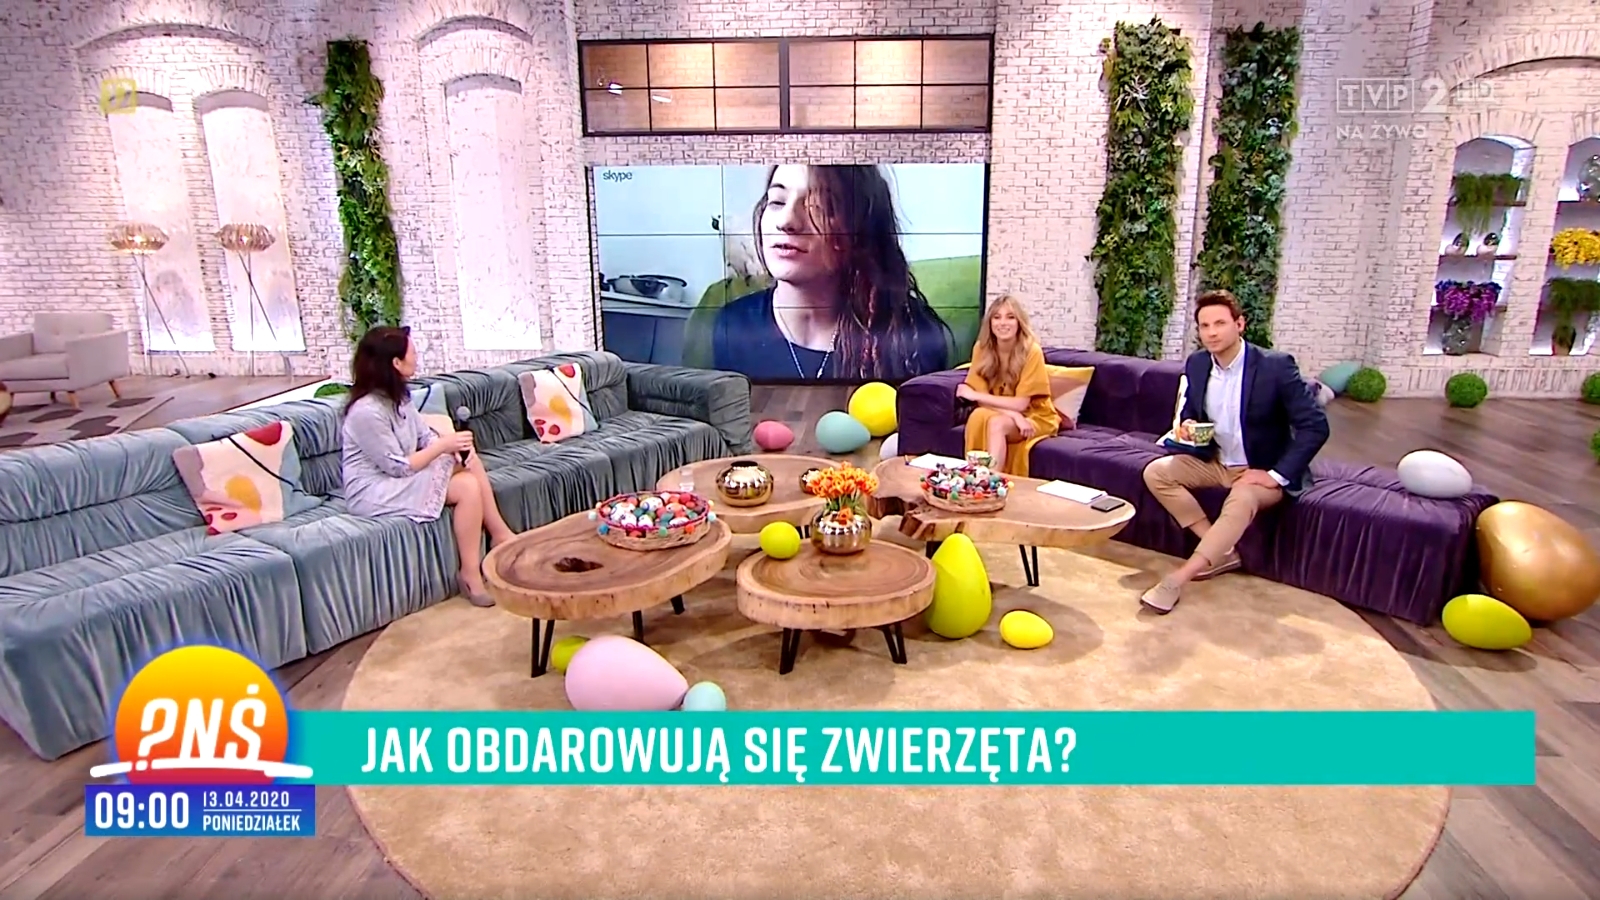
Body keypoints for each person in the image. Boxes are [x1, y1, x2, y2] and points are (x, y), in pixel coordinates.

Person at [1138, 290, 1330, 614]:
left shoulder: (1275, 366)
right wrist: (1188, 424)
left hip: (1259, 468)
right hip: (1215, 461)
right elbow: (1191, 409)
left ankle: (1179, 578)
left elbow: (1315, 426)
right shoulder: (1198, 363)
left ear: (1239, 324)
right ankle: (1222, 551)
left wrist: (1276, 475)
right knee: (1156, 472)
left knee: (1242, 497)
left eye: (1220, 324)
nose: (1211, 333)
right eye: (1204, 326)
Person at [710, 164, 952, 382]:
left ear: (860, 229)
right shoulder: (733, 325)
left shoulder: (910, 335)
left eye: (820, 206)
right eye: (777, 201)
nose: (786, 221)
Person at [339, 326, 516, 608]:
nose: (417, 357)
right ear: (396, 363)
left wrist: (451, 447)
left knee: (468, 461)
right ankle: (472, 572)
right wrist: (443, 446)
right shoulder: (366, 412)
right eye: (412, 352)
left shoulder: (400, 399)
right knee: (466, 484)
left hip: (402, 474)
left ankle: (498, 536)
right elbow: (397, 466)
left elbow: (425, 437)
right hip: (374, 489)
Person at [955, 295, 1061, 476]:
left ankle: (991, 482)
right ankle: (979, 478)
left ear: (1019, 322)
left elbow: (1021, 404)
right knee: (980, 416)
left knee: (996, 423)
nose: (1003, 323)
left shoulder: (1031, 351)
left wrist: (974, 395)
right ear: (990, 323)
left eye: (1010, 317)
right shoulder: (981, 349)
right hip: (1005, 413)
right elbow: (983, 403)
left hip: (1035, 416)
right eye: (997, 317)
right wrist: (1013, 415)